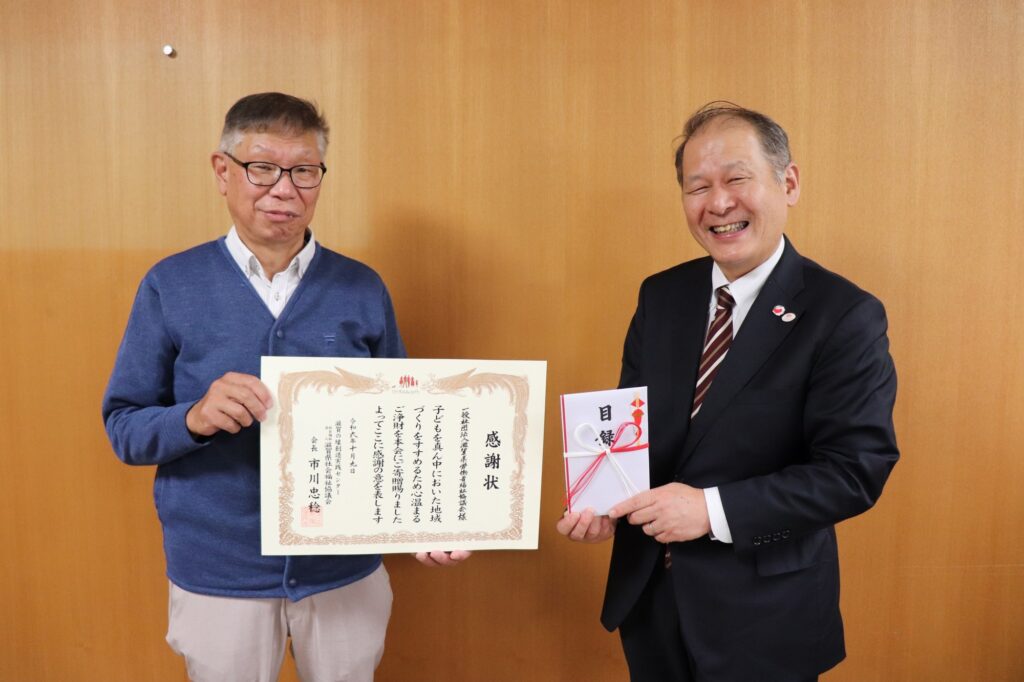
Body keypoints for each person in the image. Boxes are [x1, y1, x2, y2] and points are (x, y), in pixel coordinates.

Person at [103, 92, 468, 682]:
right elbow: (123, 427)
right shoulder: (171, 284)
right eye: (262, 168)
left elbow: (404, 424)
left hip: (344, 571)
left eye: (303, 171)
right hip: (219, 571)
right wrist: (192, 418)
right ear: (223, 171)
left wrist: (430, 522)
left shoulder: (361, 288)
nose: (283, 189)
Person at [557, 102, 899, 681]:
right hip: (652, 603)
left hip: (765, 618)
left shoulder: (843, 314)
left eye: (737, 179)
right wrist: (601, 502)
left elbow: (853, 471)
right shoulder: (661, 296)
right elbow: (631, 432)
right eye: (698, 187)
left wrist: (709, 509)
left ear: (787, 182)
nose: (718, 203)